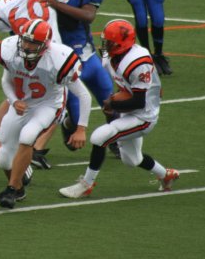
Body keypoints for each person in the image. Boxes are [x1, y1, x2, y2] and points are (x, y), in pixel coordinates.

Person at [59, 19, 179, 198]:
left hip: (144, 115)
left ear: (122, 44)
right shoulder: (113, 57)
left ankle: (86, 184)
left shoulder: (138, 62)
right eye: (104, 40)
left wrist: (112, 104)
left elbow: (139, 101)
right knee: (132, 159)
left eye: (110, 42)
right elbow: (124, 87)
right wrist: (114, 101)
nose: (105, 45)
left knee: (100, 137)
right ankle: (166, 175)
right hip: (130, 109)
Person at [0, 19, 92, 209]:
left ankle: (11, 190)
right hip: (22, 103)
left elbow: (83, 94)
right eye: (26, 40)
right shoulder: (10, 49)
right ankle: (19, 188)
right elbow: (6, 80)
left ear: (45, 46)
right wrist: (14, 101)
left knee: (28, 136)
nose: (27, 46)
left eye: (33, 43)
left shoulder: (59, 58)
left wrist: (81, 128)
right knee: (4, 157)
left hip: (48, 104)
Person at [0, 0, 69, 169]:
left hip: (21, 48)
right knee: (59, 102)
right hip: (49, 51)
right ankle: (37, 149)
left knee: (17, 90)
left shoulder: (4, 4)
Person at [40, 0, 120, 156]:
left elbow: (88, 16)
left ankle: (115, 141)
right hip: (67, 62)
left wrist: (56, 5)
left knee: (110, 103)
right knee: (76, 116)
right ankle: (68, 123)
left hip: (88, 57)